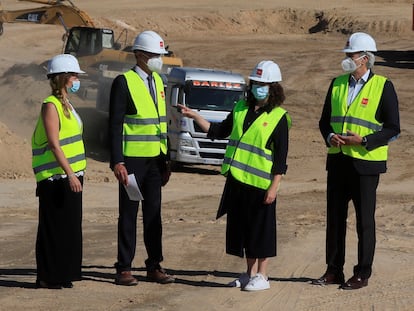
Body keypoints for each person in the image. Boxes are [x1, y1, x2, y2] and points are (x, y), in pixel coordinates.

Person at [179, 60, 291, 291]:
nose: (258, 87)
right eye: (255, 83)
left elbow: (281, 159)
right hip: (237, 181)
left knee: (261, 230)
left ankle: (263, 276)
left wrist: (274, 187)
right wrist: (194, 115)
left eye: (263, 84)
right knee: (243, 229)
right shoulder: (240, 108)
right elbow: (218, 131)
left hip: (261, 184)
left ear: (273, 87)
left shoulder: (280, 117)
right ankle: (249, 274)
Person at [313, 32, 400, 290]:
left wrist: (363, 141)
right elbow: (324, 120)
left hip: (365, 165)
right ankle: (333, 270)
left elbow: (393, 128)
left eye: (351, 55)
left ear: (365, 58)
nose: (347, 58)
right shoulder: (337, 83)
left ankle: (362, 273)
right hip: (338, 161)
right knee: (335, 219)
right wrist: (329, 136)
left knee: (364, 221)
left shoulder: (383, 86)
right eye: (347, 54)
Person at [108, 30, 174, 286]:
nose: (159, 59)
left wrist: (166, 160)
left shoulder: (158, 81)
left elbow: (161, 123)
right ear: (139, 54)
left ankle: (154, 265)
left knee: (153, 216)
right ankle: (123, 267)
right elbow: (115, 125)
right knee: (128, 215)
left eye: (160, 55)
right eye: (154, 55)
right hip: (132, 163)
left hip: (154, 163)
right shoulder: (123, 82)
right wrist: (117, 161)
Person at [32, 54, 87, 289]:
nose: (77, 80)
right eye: (74, 75)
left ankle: (63, 273)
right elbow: (54, 144)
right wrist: (71, 174)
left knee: (69, 228)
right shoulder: (50, 105)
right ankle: (47, 276)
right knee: (53, 228)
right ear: (63, 78)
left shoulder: (68, 105)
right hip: (55, 178)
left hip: (71, 176)